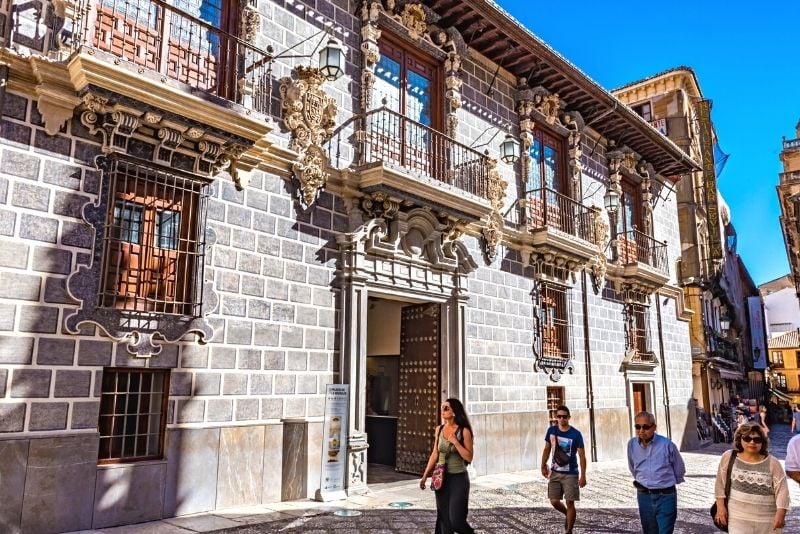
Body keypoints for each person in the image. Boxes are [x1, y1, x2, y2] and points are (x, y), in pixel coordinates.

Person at [713, 423, 789, 533]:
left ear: (762, 442)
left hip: (767, 520)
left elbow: (782, 491)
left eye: (757, 440)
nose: (752, 442)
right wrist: (720, 508)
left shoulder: (773, 463)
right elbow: (720, 484)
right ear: (740, 439)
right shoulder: (728, 457)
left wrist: (781, 514)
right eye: (747, 438)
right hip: (737, 518)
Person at [420, 398, 475, 534]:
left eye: (446, 408)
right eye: (442, 408)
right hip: (440, 477)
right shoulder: (439, 429)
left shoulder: (464, 431)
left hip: (458, 478)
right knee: (444, 519)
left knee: (456, 520)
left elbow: (469, 457)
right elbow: (435, 454)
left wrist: (456, 442)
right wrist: (425, 475)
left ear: (454, 412)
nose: (442, 411)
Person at [627, 411, 685, 534]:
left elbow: (679, 468)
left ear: (654, 427)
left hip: (666, 495)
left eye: (646, 427)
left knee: (665, 531)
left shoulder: (667, 445)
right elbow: (633, 467)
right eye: (638, 427)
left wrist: (665, 481)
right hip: (644, 496)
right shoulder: (631, 445)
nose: (641, 430)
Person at [541, 405, 587, 534]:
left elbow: (582, 456)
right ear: (556, 417)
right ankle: (567, 514)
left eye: (564, 417)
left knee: (570, 502)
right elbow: (547, 449)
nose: (561, 419)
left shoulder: (576, 434)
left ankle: (569, 531)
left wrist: (583, 476)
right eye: (559, 416)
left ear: (569, 418)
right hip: (555, 472)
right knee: (554, 501)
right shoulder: (551, 431)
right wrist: (543, 464)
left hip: (571, 473)